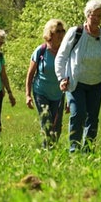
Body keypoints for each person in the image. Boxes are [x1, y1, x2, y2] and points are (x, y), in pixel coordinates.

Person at [55, 0, 101, 153]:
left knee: (93, 119)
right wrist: (61, 78)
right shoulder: (76, 33)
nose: (96, 19)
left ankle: (88, 151)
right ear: (87, 15)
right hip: (76, 82)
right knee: (78, 114)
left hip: (96, 83)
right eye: (94, 15)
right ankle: (74, 151)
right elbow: (61, 56)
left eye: (100, 16)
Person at [25, 19, 67, 149]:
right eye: (57, 31)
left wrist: (70, 99)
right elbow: (30, 74)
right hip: (41, 92)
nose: (60, 34)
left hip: (59, 94)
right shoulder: (41, 51)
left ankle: (52, 149)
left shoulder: (66, 51)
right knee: (47, 122)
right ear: (50, 33)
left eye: (62, 31)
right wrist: (27, 94)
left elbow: (70, 76)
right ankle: (46, 151)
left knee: (57, 126)